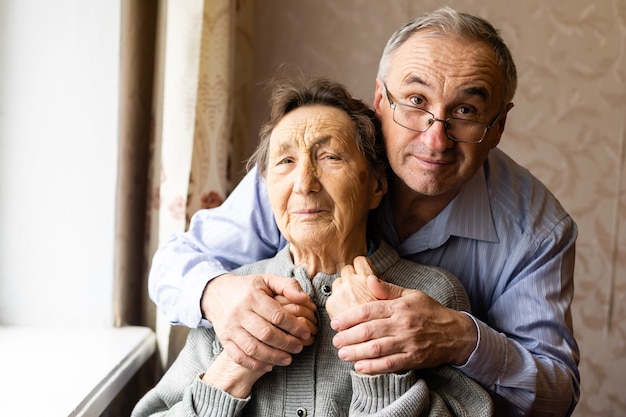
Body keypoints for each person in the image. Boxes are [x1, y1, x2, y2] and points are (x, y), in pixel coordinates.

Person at [148, 7, 580, 416]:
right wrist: (219, 300)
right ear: (381, 100)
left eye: (465, 111)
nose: (436, 139)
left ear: (498, 125)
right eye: (415, 100)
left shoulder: (530, 233)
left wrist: (456, 338)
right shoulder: (292, 182)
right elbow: (173, 266)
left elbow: (555, 395)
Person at [134, 77, 493, 416]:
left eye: (330, 157)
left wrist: (378, 363)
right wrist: (232, 369)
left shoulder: (434, 295)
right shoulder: (234, 301)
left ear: (377, 185)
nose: (304, 183)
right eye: (286, 162)